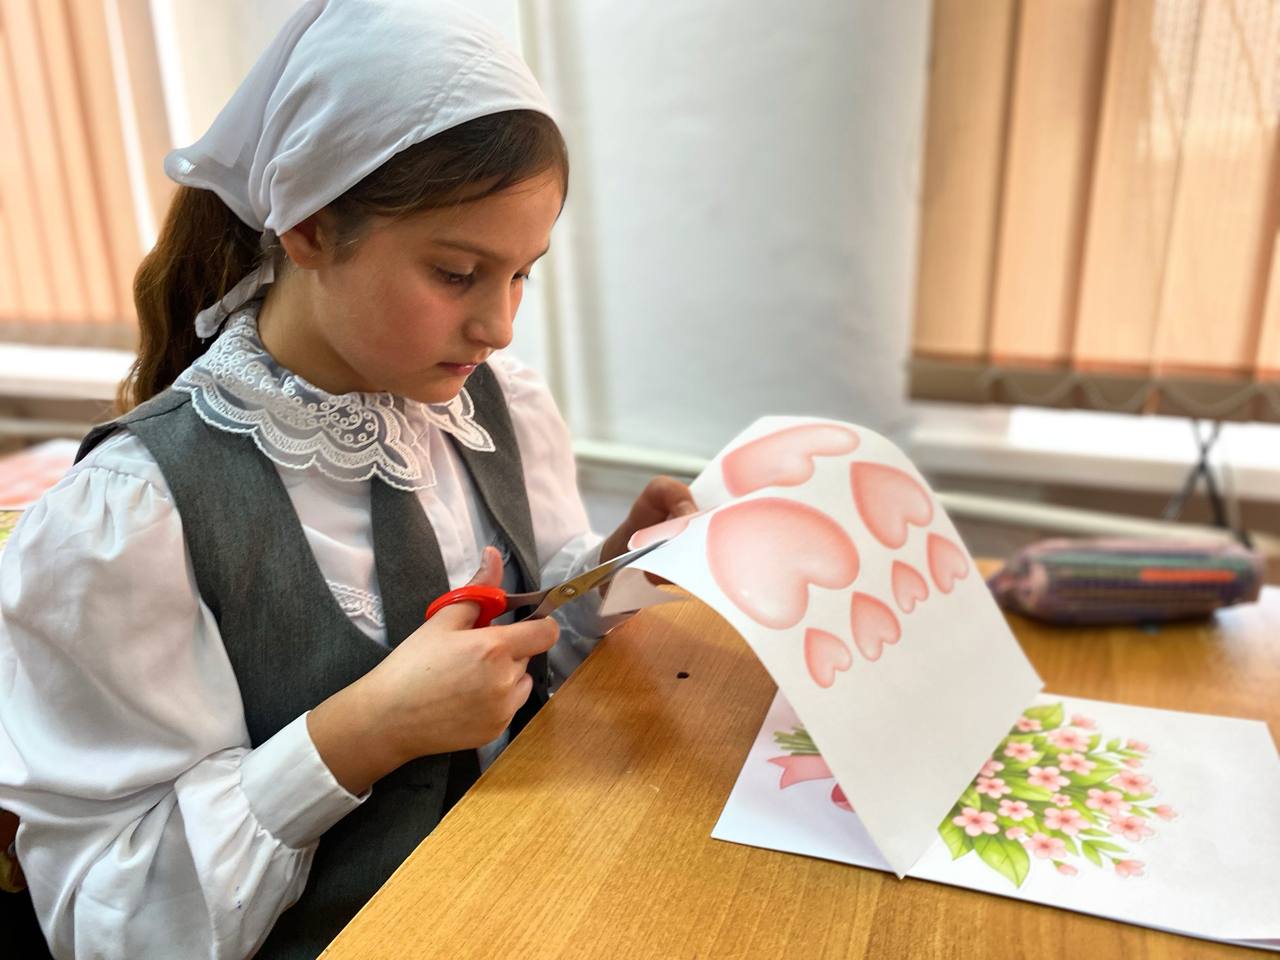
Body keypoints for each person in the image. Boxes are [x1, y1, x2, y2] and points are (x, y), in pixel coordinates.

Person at [0, 2, 695, 957]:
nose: (499, 326)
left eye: (523, 274)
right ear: (310, 229)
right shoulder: (131, 518)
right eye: (457, 272)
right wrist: (363, 732)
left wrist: (612, 574)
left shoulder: (495, 406)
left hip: (534, 901)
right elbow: (110, 919)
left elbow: (532, 673)